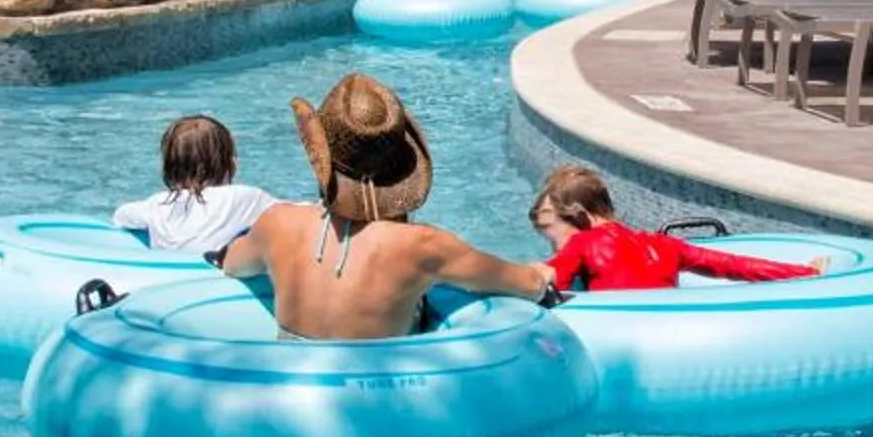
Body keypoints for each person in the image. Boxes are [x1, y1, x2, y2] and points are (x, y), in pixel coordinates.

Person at [224, 73, 551, 339]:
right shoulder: (424, 246)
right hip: (382, 397)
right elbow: (528, 286)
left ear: (322, 157)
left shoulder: (277, 223)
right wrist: (540, 272)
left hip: (293, 388)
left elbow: (233, 265)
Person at [529, 164, 824, 292]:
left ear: (577, 214)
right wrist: (804, 272)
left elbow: (552, 284)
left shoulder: (584, 245)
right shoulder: (663, 245)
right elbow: (734, 265)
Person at [112, 115, 279, 255]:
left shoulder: (157, 204)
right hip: (215, 278)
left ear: (168, 167)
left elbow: (121, 216)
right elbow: (294, 214)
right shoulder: (243, 198)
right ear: (231, 165)